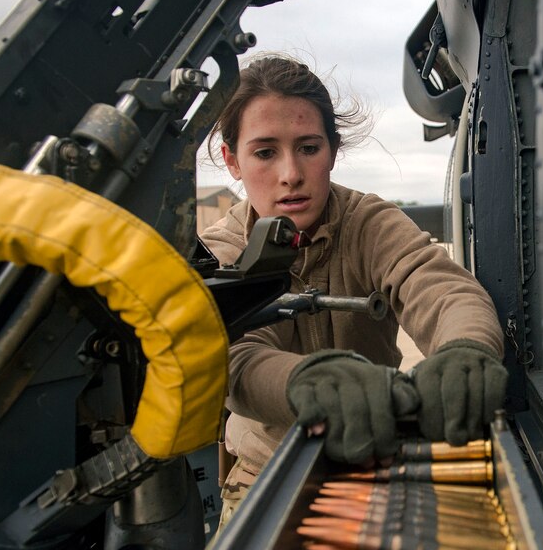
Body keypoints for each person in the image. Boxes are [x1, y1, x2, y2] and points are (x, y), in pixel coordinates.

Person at [199, 55, 506, 523]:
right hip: (266, 475)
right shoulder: (219, 253)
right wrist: (309, 384)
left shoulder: (369, 223)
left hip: (379, 465)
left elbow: (442, 291)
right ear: (231, 160)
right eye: (265, 152)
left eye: (308, 147)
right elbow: (236, 358)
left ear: (333, 150)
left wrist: (465, 349)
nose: (291, 175)